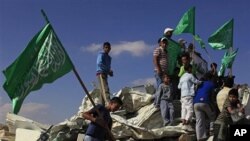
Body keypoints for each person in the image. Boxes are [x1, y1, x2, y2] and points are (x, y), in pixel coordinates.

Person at [178, 64, 201, 131]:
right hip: (189, 95)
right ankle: (187, 123)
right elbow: (196, 82)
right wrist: (201, 82)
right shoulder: (190, 75)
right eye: (191, 68)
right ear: (189, 69)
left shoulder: (181, 77)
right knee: (190, 110)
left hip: (182, 96)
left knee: (184, 109)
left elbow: (178, 87)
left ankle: (183, 123)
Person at [193, 73, 216, 141]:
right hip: (205, 102)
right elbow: (212, 97)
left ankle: (200, 137)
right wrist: (213, 106)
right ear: (211, 78)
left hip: (196, 103)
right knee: (212, 116)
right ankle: (211, 131)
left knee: (199, 121)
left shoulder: (200, 84)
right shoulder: (212, 84)